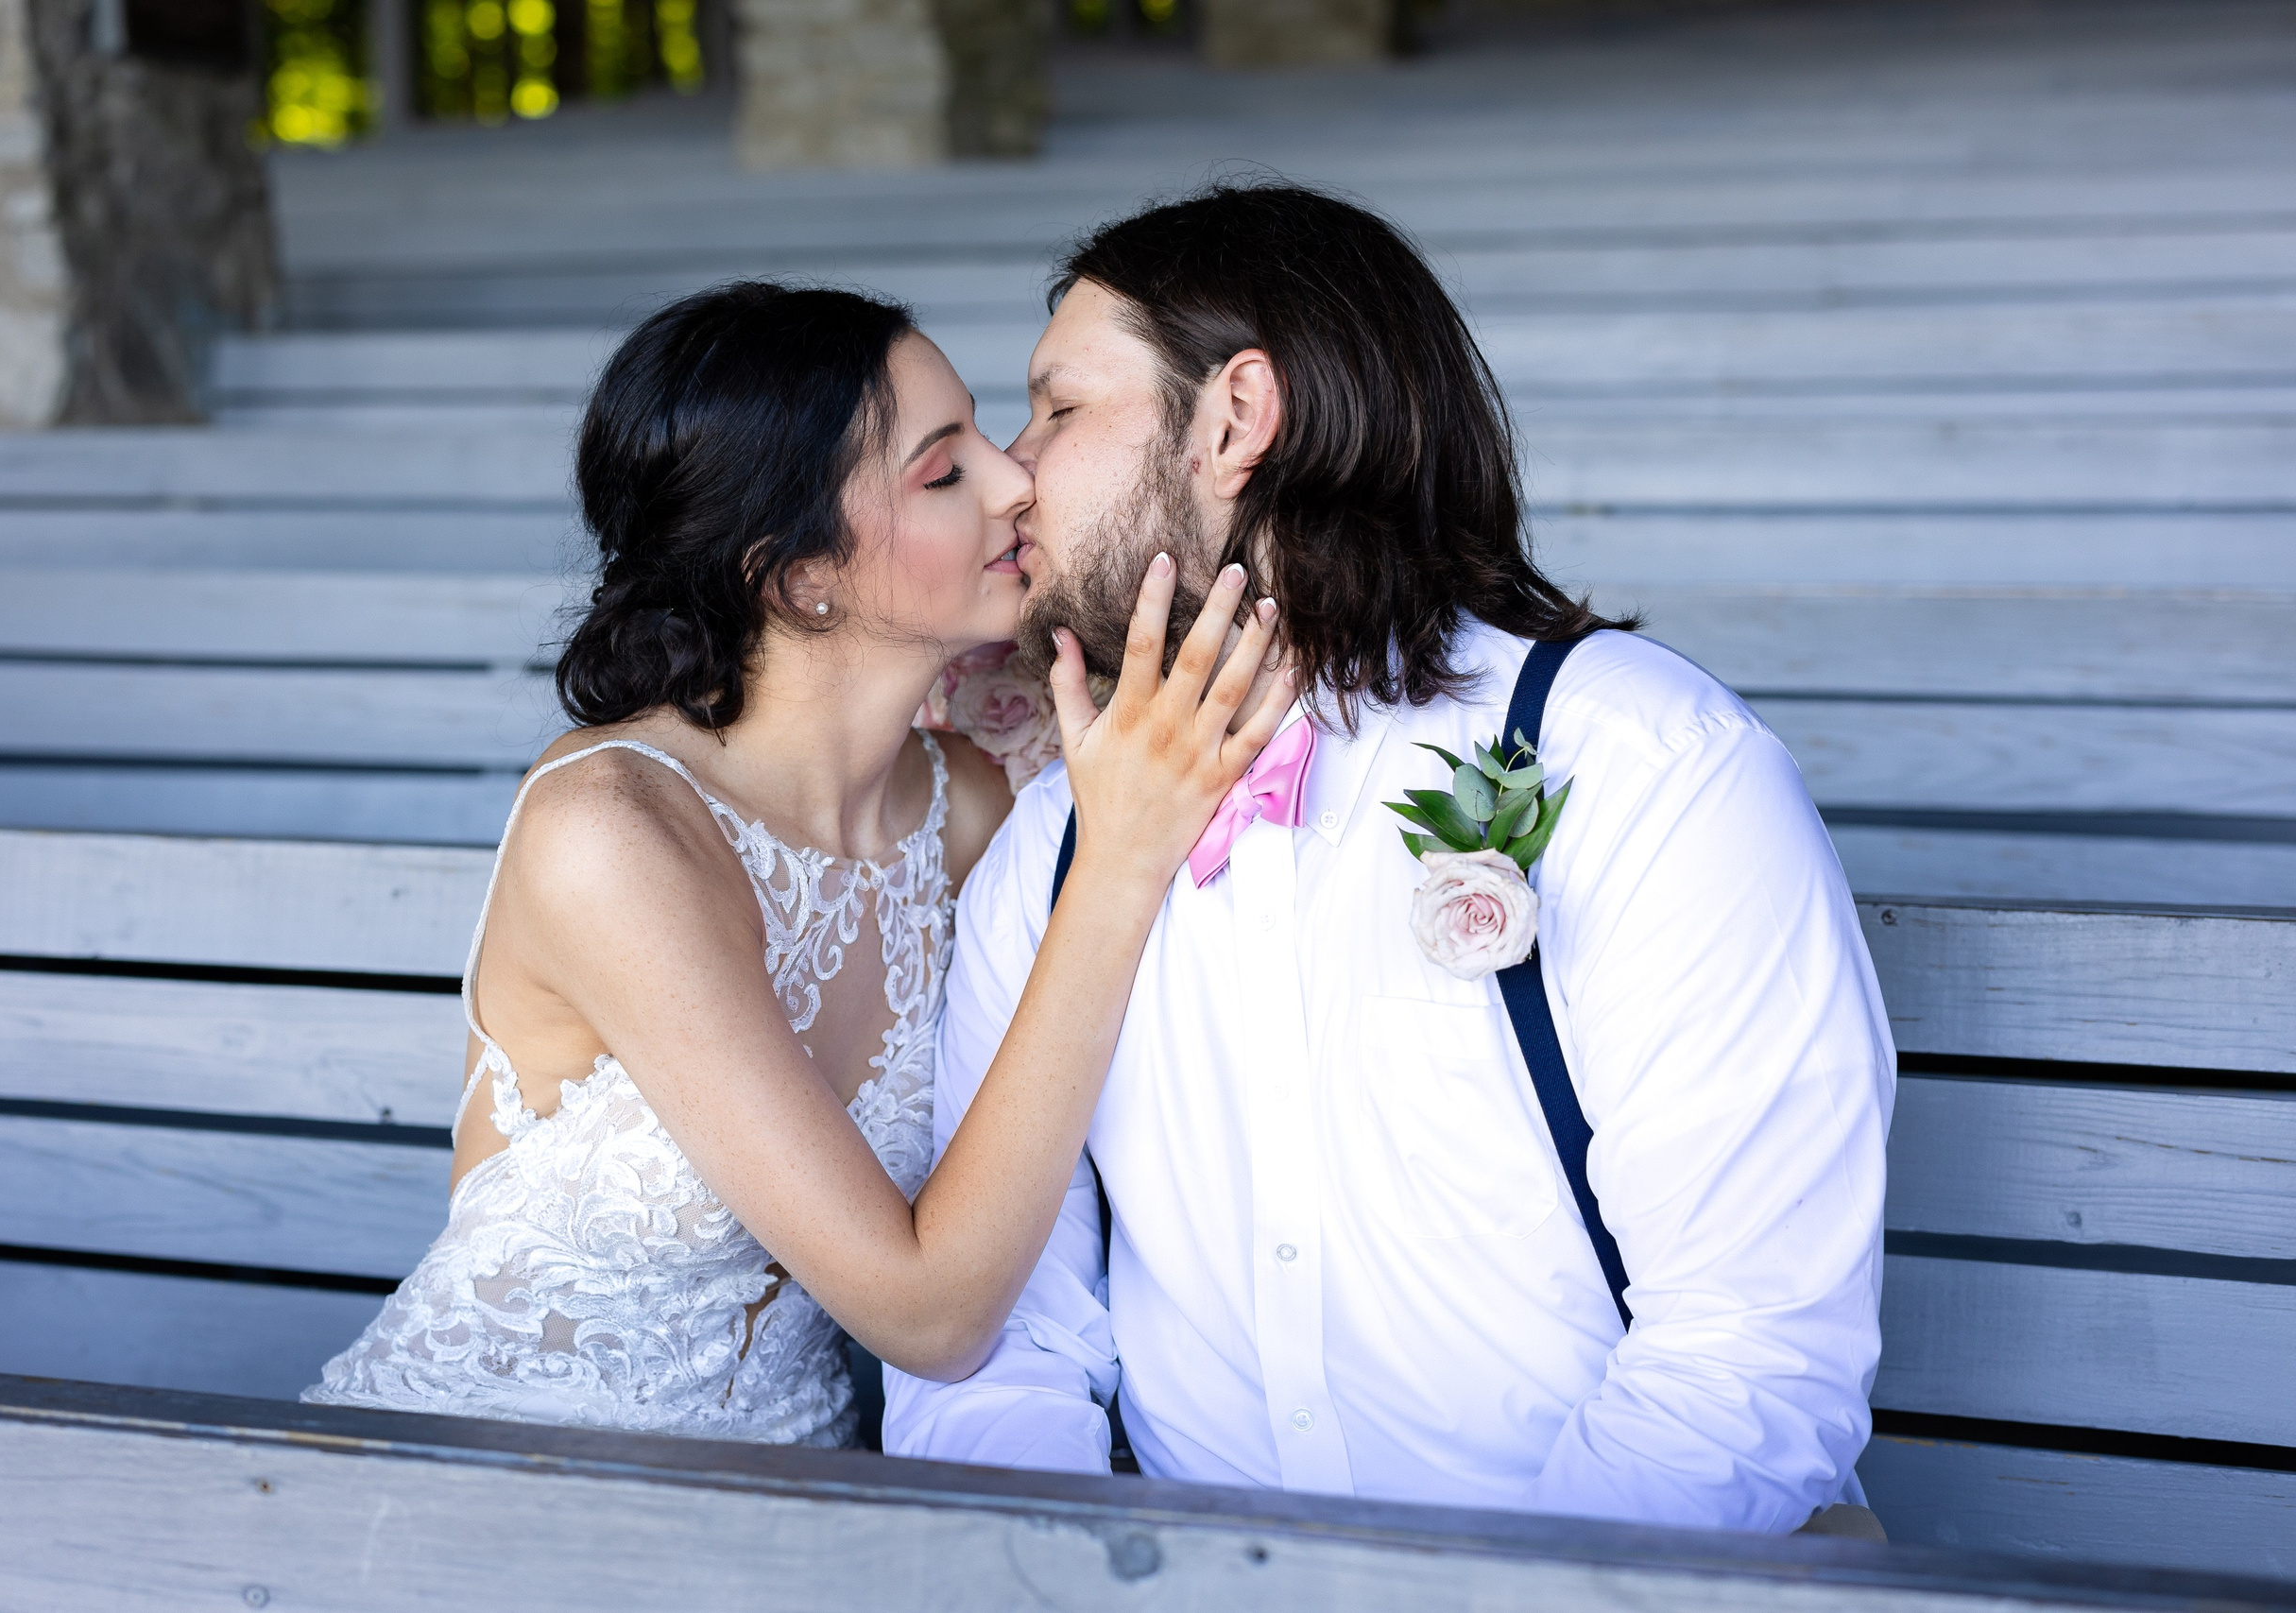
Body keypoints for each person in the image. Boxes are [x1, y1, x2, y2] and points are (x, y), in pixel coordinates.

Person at [883, 184, 1897, 1535]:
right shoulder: (1053, 846)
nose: (1015, 472)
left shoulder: (1644, 770)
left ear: (1234, 417)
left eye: (1058, 408)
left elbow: (1748, 1361)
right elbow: (1003, 1348)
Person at [304, 282, 1294, 1443]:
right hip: (483, 1484)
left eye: (986, 434)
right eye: (943, 473)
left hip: (786, 1501)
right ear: (797, 576)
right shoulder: (614, 831)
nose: (1015, 478)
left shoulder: (968, 808)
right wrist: (1115, 869)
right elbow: (929, 1317)